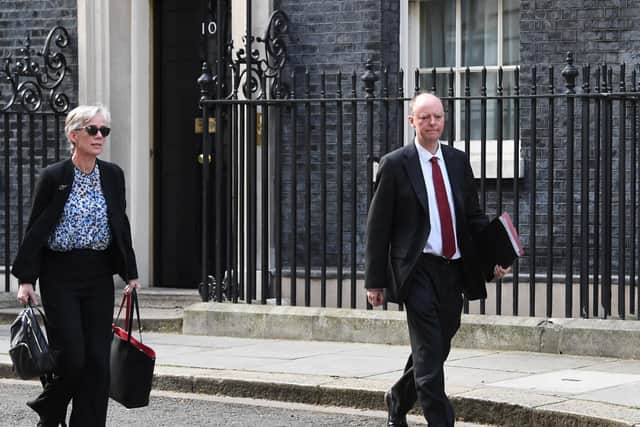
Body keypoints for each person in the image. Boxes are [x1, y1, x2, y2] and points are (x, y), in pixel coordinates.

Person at [365, 93, 510, 427]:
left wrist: (493, 261)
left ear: (445, 119)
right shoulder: (395, 164)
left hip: (453, 269)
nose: (432, 123)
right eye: (425, 117)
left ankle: (398, 397)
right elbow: (377, 227)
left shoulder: (458, 162)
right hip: (416, 270)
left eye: (438, 117)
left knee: (439, 343)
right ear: (411, 121)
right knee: (430, 356)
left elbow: (472, 219)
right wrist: (375, 281)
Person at [12, 105, 140, 427]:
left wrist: (131, 272)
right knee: (73, 358)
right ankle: (49, 407)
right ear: (74, 135)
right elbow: (37, 228)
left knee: (98, 362)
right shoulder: (54, 177)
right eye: (93, 130)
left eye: (104, 131)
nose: (100, 137)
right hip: (60, 275)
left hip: (98, 274)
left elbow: (119, 224)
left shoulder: (112, 175)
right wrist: (26, 279)